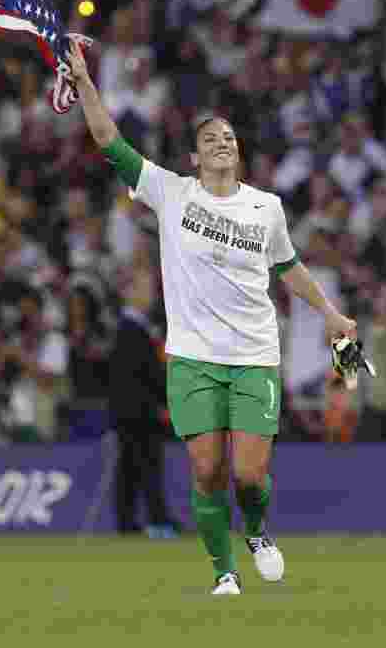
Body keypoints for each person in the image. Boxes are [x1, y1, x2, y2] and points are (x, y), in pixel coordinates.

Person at [68, 41, 357, 595]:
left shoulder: (265, 207)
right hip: (194, 358)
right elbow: (109, 140)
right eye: (209, 140)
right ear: (194, 160)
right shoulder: (170, 193)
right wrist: (84, 82)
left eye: (229, 137)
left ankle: (256, 531)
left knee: (249, 476)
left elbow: (288, 267)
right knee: (205, 471)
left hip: (254, 355)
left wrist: (328, 311)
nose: (222, 143)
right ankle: (224, 572)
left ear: (238, 152)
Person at [109, 264, 178, 539]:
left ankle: (128, 522)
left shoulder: (137, 328)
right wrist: (162, 398)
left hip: (134, 410)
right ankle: (157, 520)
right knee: (146, 467)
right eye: (146, 289)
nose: (151, 295)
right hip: (139, 412)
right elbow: (142, 375)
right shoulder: (130, 329)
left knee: (131, 468)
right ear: (131, 293)